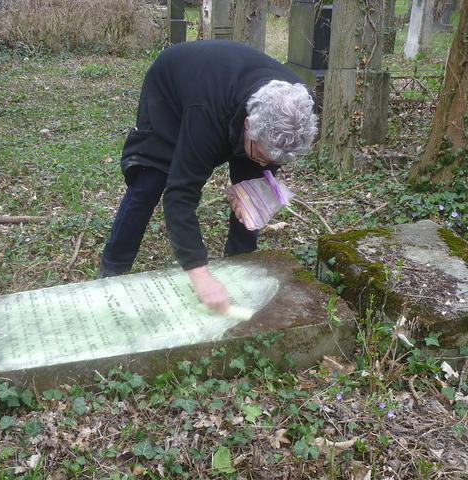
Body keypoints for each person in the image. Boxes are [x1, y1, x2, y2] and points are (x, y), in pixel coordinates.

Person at [99, 40, 318, 314]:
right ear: (248, 126)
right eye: (262, 156)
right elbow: (180, 194)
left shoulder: (300, 106)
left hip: (235, 97)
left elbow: (268, 156)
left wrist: (260, 186)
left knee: (251, 197)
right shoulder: (206, 115)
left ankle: (240, 265)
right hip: (174, 84)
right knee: (151, 180)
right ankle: (113, 267)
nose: (266, 164)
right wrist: (199, 274)